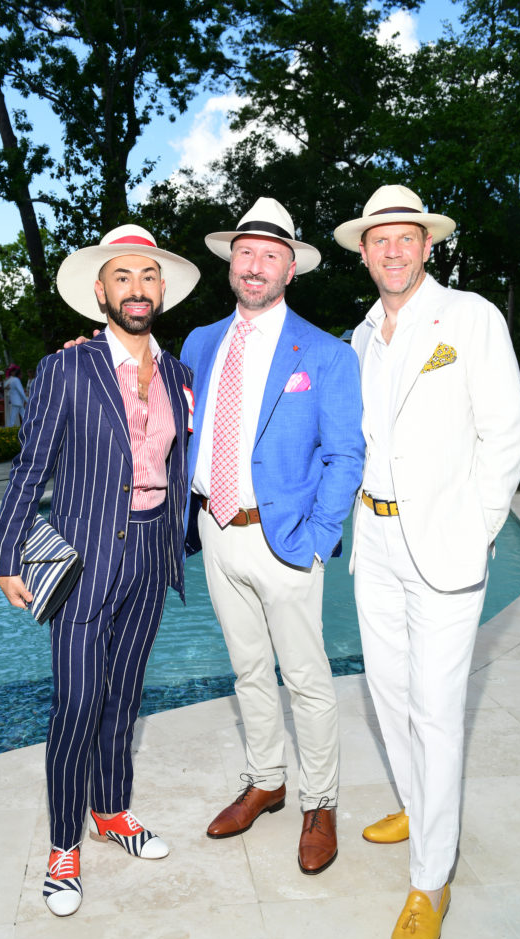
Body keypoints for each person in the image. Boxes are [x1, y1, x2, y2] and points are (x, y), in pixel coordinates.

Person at [333, 184, 520, 939]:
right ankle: (418, 805)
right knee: (387, 697)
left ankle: (431, 877)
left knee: (437, 712)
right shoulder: (357, 337)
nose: (391, 250)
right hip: (373, 544)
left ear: (426, 244)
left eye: (404, 238)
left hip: (443, 545)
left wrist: (476, 532)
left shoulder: (471, 317)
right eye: (378, 239)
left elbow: (505, 434)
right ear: (362, 250)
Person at [0, 224, 199, 917]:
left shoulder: (178, 375)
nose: (137, 289)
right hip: (81, 559)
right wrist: (4, 553)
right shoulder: (66, 368)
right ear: (100, 291)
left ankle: (112, 812)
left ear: (161, 289)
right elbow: (32, 467)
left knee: (125, 695)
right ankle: (62, 849)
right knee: (77, 703)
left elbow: (180, 465)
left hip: (149, 550)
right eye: (123, 277)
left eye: (148, 276)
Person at [181, 197, 364, 874]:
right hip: (215, 528)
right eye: (245, 253)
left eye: (270, 256)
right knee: (249, 669)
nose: (255, 267)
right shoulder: (200, 342)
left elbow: (346, 455)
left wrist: (318, 535)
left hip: (284, 537)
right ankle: (267, 781)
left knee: (308, 680)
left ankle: (319, 802)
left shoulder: (324, 352)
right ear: (232, 261)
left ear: (292, 268)